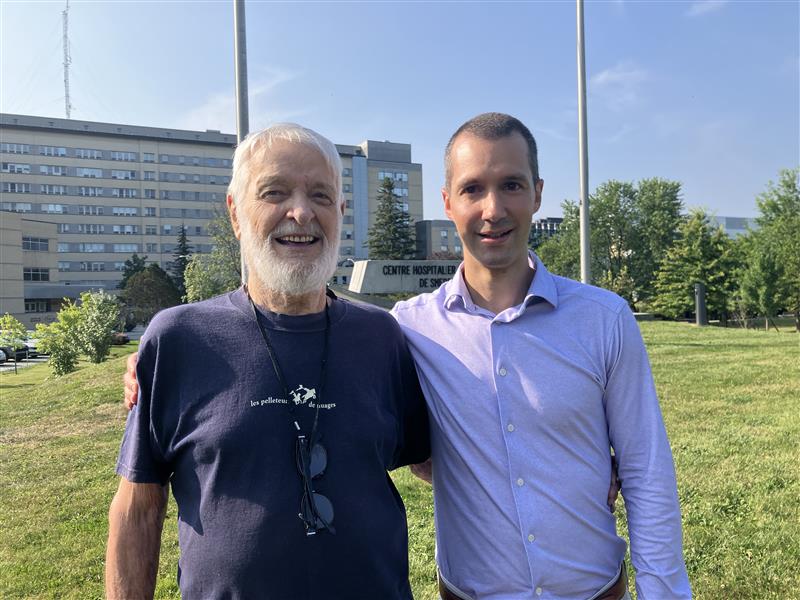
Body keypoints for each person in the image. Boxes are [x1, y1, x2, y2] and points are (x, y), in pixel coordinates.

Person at [106, 124, 429, 599]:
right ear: (236, 213)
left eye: (320, 195)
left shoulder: (382, 337)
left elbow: (437, 462)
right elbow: (137, 509)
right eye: (274, 192)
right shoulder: (179, 339)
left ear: (340, 212)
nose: (300, 213)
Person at [390, 113, 691, 599]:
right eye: (472, 189)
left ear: (537, 193)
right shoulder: (409, 329)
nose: (493, 209)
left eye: (511, 184)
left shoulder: (604, 319)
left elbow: (645, 469)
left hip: (594, 589)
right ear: (447, 202)